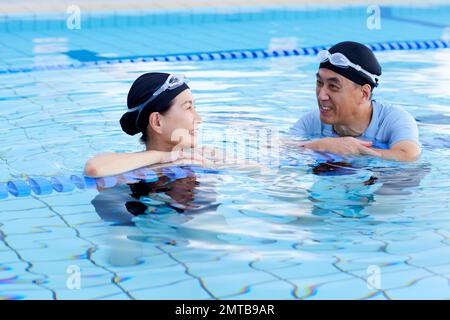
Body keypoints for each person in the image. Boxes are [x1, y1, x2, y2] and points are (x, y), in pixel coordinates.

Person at [290, 41, 421, 162]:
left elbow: (409, 156)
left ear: (364, 93)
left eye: (333, 87)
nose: (321, 96)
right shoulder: (313, 120)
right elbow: (276, 147)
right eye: (319, 83)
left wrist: (356, 151)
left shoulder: (392, 119)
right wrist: (321, 145)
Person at [84, 72, 211, 178]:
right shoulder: (134, 169)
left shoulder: (204, 155)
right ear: (157, 122)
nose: (199, 119)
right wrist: (163, 156)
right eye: (188, 108)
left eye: (195, 108)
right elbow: (93, 169)